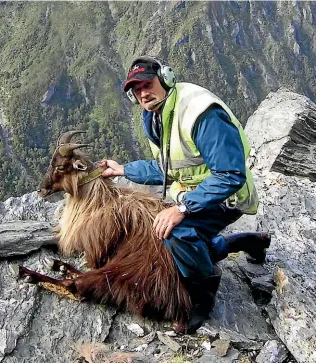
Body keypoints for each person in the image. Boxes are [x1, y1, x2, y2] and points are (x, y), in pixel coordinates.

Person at [101, 55, 270, 333]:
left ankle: (202, 300)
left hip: (228, 196)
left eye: (147, 84)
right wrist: (123, 170)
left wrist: (182, 209)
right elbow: (168, 169)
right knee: (186, 244)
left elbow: (231, 175)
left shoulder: (200, 113)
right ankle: (250, 241)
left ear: (165, 78)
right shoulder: (157, 116)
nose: (143, 93)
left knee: (176, 234)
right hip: (196, 193)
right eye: (136, 89)